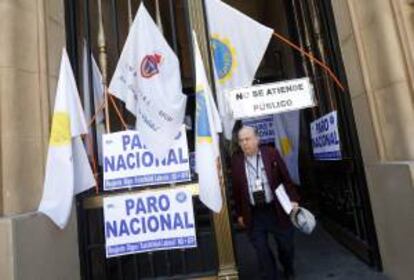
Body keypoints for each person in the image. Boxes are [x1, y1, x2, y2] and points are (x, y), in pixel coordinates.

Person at [231, 126, 300, 280]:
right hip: (254, 213)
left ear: (257, 139)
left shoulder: (271, 154)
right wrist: (240, 214)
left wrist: (293, 200)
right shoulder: (236, 161)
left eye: (247, 139)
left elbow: (286, 179)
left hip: (275, 209)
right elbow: (236, 191)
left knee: (286, 246)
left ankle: (288, 268)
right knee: (262, 251)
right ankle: (272, 275)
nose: (244, 143)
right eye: (241, 140)